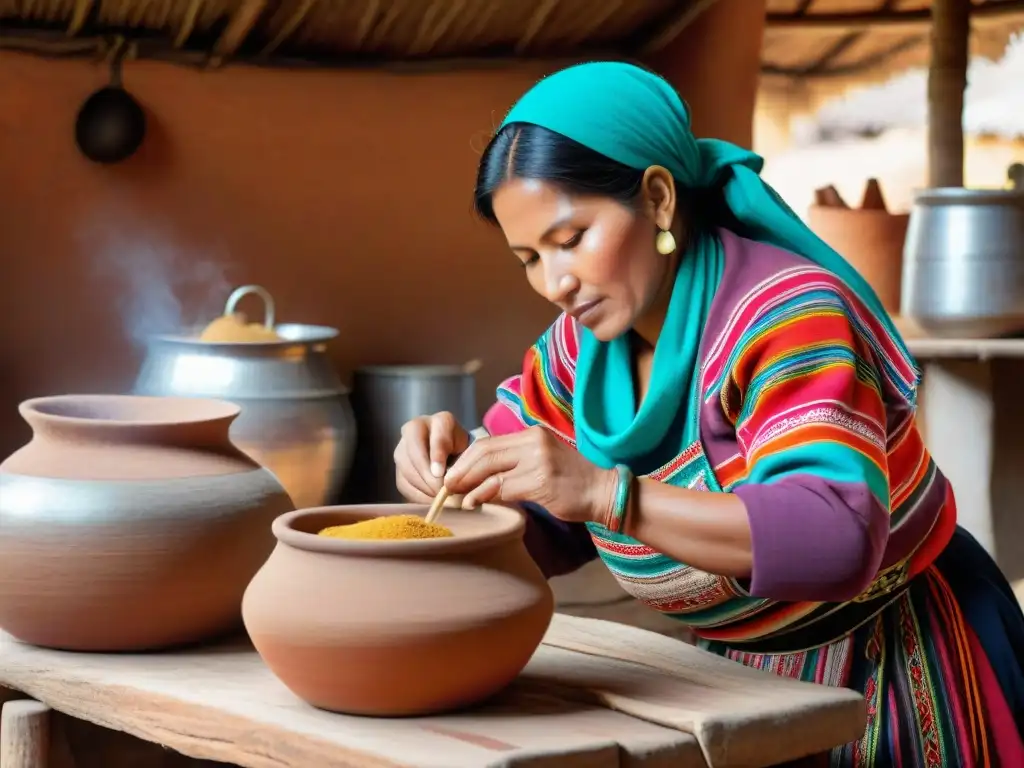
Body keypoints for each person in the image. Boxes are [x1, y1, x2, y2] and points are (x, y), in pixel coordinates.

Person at [393, 62, 1024, 766]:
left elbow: (836, 533)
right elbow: (542, 529)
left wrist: (606, 493)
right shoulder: (578, 351)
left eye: (571, 240)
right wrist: (458, 482)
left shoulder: (787, 317)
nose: (555, 283)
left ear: (658, 198)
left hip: (895, 665)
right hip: (734, 686)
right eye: (528, 259)